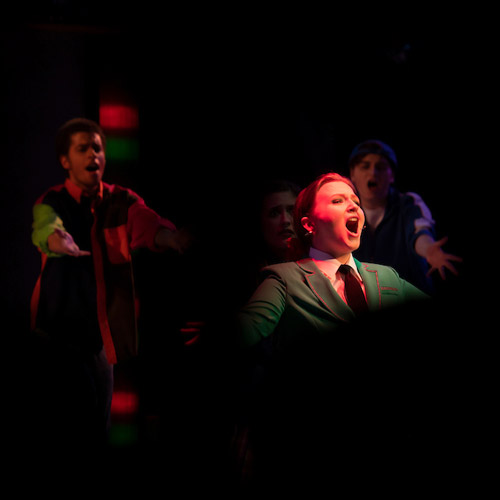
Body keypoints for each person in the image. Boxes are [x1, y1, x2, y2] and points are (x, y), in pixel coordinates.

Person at [236, 172, 429, 489]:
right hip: (319, 439)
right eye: (338, 201)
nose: (353, 207)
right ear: (309, 224)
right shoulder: (284, 278)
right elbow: (250, 324)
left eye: (356, 201)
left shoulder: (387, 277)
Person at [30, 117, 190, 447]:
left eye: (98, 148)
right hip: (54, 332)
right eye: (83, 149)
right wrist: (60, 240)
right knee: (56, 423)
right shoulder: (52, 200)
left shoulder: (121, 200)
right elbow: (46, 227)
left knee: (96, 426)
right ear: (65, 160)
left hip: (98, 336)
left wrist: (170, 238)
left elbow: (145, 223)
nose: (93, 155)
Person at [348, 139, 462, 294]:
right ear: (352, 174)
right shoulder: (346, 212)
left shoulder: (408, 203)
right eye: (365, 166)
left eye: (381, 167)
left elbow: (419, 232)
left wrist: (429, 250)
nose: (373, 172)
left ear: (392, 175)